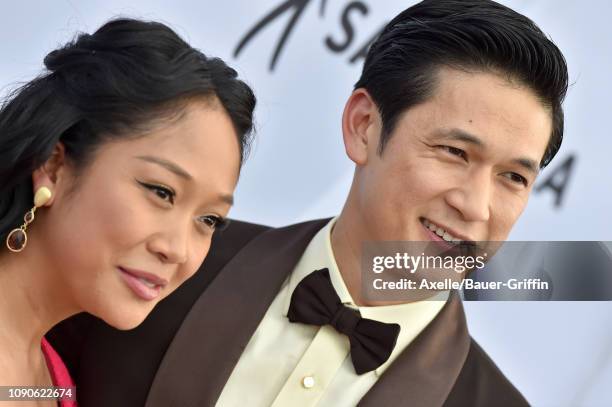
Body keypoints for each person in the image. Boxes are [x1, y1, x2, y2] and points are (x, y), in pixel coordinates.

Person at [48, 0, 568, 406]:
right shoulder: (158, 265)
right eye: (455, 152)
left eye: (513, 178)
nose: (476, 207)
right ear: (364, 126)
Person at [0, 18, 255, 406]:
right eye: (161, 192)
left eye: (209, 220)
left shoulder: (52, 382)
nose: (178, 249)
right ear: (53, 166)